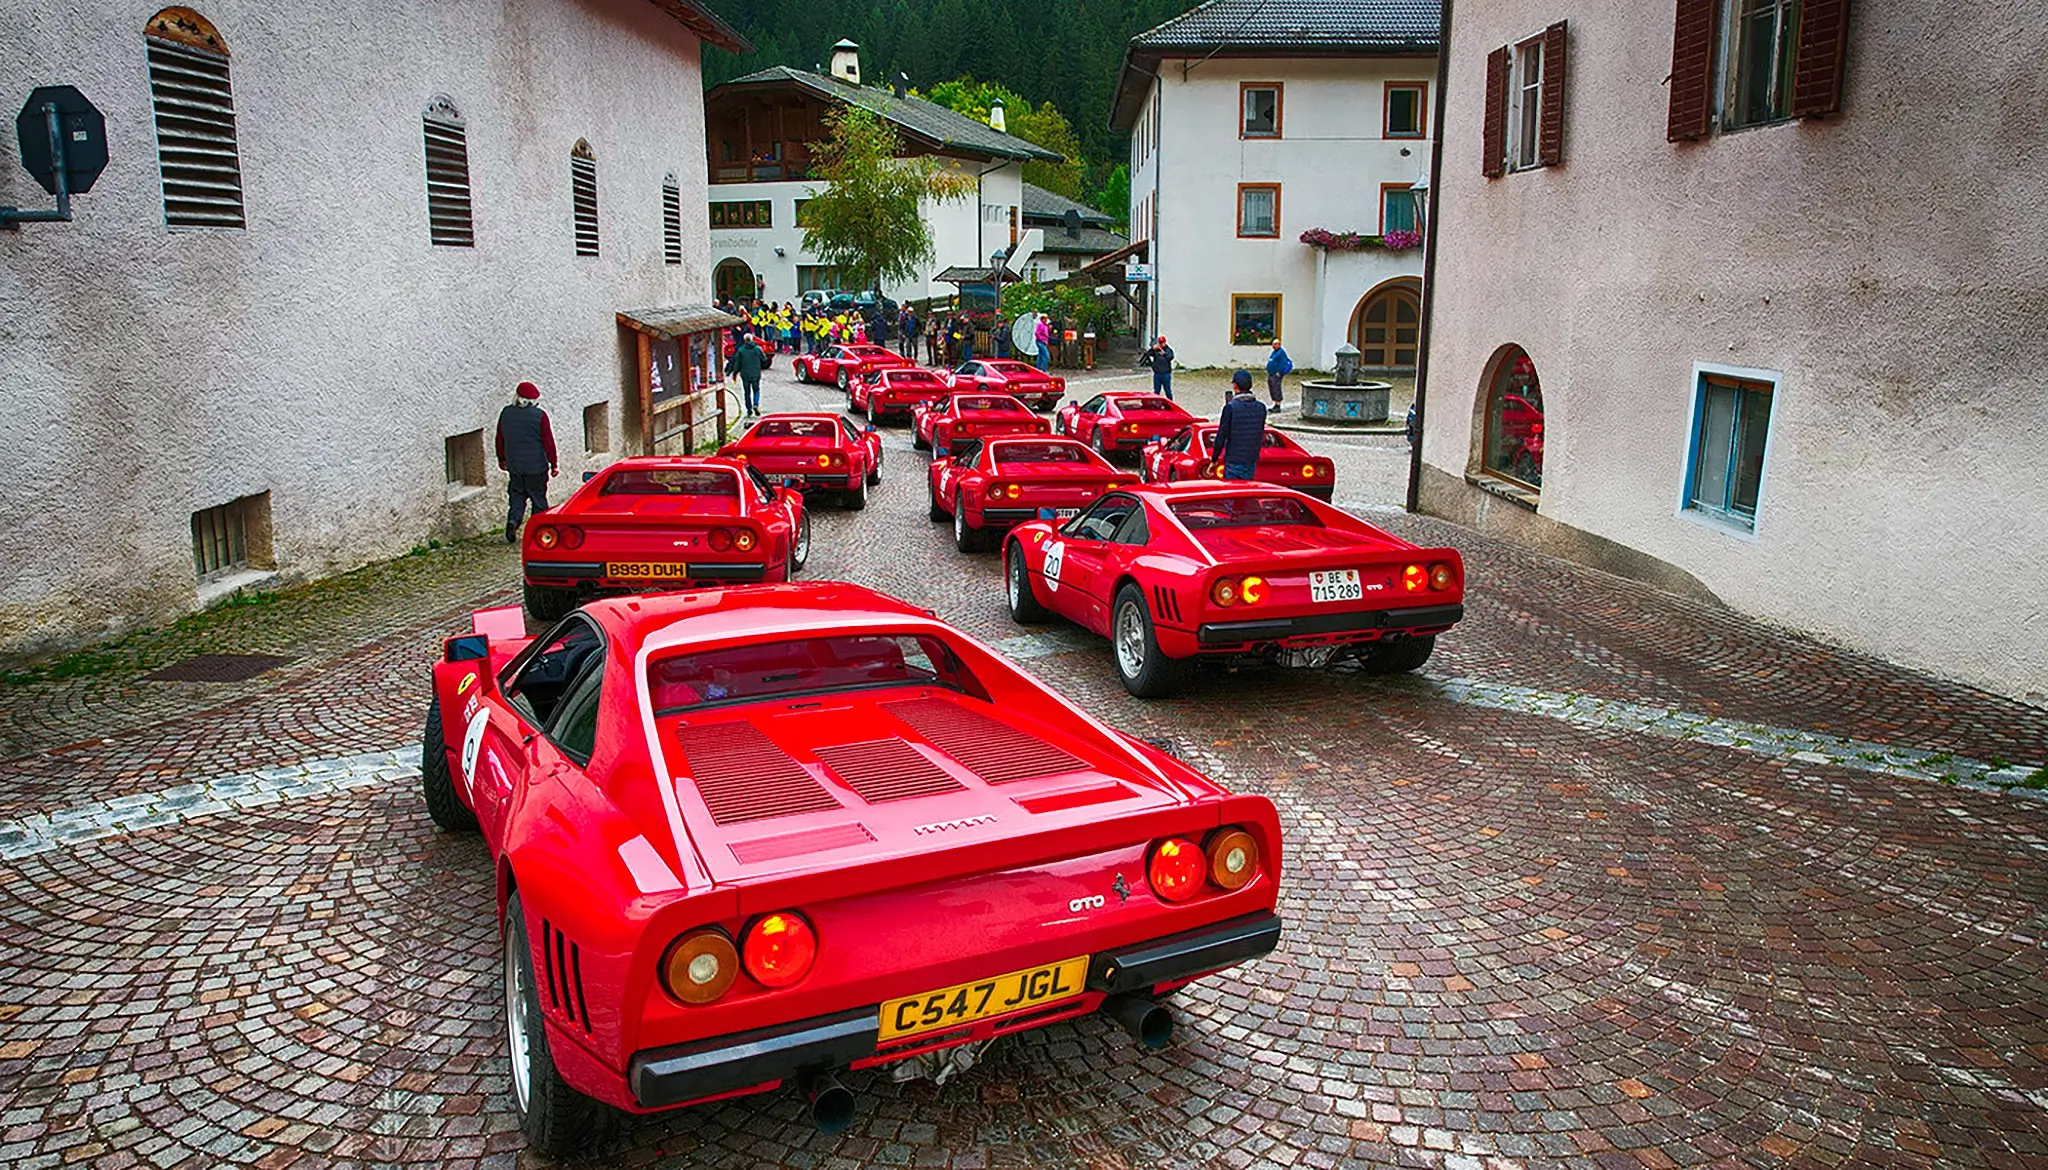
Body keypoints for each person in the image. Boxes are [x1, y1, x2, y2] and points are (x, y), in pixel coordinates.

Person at [495, 381, 559, 542]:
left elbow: (499, 438)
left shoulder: (506, 413)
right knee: (538, 498)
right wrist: (554, 464)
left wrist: (502, 458)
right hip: (536, 466)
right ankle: (538, 530)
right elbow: (548, 442)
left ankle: (513, 521)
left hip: (515, 465)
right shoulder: (539, 416)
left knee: (517, 495)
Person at [1215, 371, 1267, 481]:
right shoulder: (1261, 407)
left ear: (1235, 385)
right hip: (1251, 459)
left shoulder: (1230, 408)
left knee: (1232, 493)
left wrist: (1214, 458)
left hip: (1233, 458)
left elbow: (1222, 435)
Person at [727, 332, 766, 416]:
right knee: (756, 390)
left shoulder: (741, 350)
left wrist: (734, 373)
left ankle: (749, 409)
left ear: (744, 340)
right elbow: (764, 359)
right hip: (755, 373)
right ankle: (755, 404)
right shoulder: (757, 349)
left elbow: (737, 363)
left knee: (747, 392)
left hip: (745, 374)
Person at [1139, 335, 1175, 399]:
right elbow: (1147, 354)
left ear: (1165, 342)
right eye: (1160, 343)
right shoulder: (1156, 350)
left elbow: (1170, 357)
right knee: (1156, 391)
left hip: (1165, 374)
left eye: (1162, 343)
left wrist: (1164, 353)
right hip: (1157, 373)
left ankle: (1171, 403)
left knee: (1167, 391)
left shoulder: (1168, 350)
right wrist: (1152, 348)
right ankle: (1155, 403)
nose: (1161, 344)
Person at [1265, 338, 1294, 411]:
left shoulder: (1281, 353)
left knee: (1276, 387)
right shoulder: (1274, 352)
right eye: (1273, 344)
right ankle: (1275, 403)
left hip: (1276, 374)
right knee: (1272, 387)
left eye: (1275, 344)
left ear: (1279, 344)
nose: (1273, 346)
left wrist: (1279, 372)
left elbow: (1282, 363)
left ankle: (1278, 404)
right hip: (1271, 373)